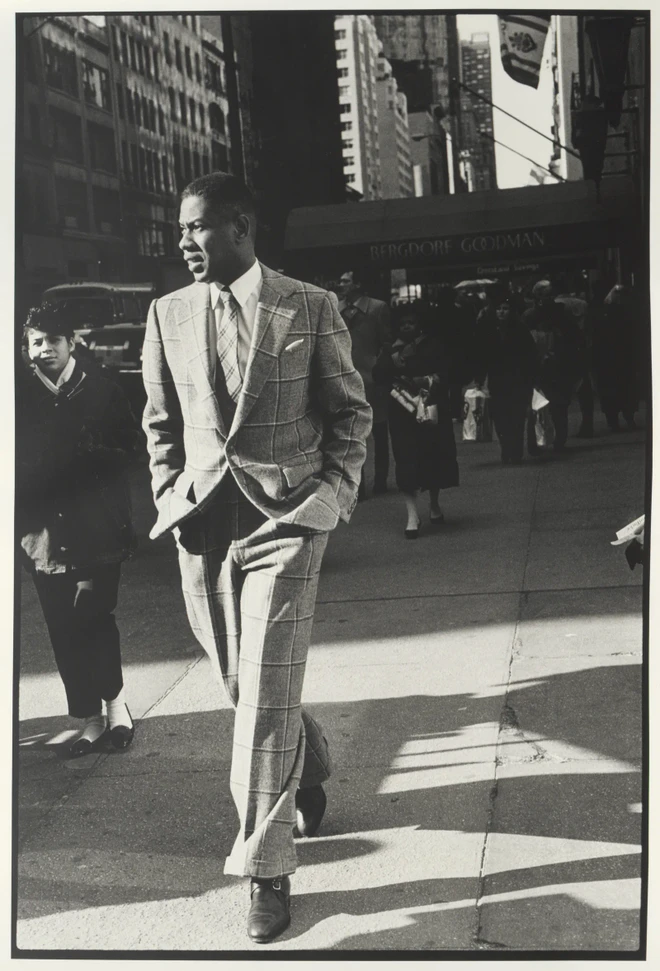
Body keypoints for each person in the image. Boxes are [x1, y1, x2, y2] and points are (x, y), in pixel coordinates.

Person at [142, 173, 371, 944]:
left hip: (287, 518)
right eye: (180, 229)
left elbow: (350, 412)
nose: (184, 242)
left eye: (198, 226)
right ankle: (309, 761)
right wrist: (168, 491)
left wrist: (331, 498)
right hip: (203, 526)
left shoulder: (307, 305)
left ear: (240, 226)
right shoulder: (167, 312)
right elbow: (159, 421)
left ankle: (265, 869)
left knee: (267, 687)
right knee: (245, 684)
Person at [17, 303, 139, 757]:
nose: (45, 349)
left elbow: (132, 448)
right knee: (62, 626)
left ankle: (116, 708)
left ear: (71, 343)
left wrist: (95, 452)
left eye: (53, 340)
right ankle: (86, 718)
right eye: (36, 342)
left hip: (97, 529)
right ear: (25, 348)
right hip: (42, 536)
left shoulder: (103, 391)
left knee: (94, 615)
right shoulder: (18, 398)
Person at [373, 301, 458, 537]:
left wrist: (428, 380)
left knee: (432, 456)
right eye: (402, 324)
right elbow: (378, 375)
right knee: (406, 459)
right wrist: (393, 355)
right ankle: (412, 514)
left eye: (412, 323)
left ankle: (433, 503)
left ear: (420, 324)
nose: (407, 327)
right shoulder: (390, 349)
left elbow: (448, 372)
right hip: (401, 411)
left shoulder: (433, 345)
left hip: (429, 406)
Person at [336, 269, 391, 497]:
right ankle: (358, 486)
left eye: (345, 281)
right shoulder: (337, 309)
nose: (341, 285)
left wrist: (379, 368)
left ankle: (381, 481)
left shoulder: (377, 308)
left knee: (379, 432)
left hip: (372, 379)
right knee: (353, 437)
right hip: (346, 379)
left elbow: (386, 342)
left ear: (358, 284)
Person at [474, 289, 537, 464]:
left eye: (505, 308)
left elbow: (530, 355)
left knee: (516, 419)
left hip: (518, 381)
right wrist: (479, 378)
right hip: (498, 381)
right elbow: (482, 357)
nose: (501, 312)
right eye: (499, 308)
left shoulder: (520, 330)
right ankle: (506, 448)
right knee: (500, 419)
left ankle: (514, 451)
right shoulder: (489, 330)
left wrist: (532, 379)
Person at [522, 280, 583, 452]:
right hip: (547, 366)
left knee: (551, 405)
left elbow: (573, 338)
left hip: (554, 365)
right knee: (547, 405)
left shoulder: (552, 314)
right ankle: (546, 440)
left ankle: (549, 440)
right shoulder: (551, 314)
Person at [592, 284, 640, 430]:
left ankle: (615, 421)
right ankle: (626, 418)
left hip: (608, 359)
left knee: (611, 391)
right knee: (624, 389)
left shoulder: (602, 314)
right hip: (621, 358)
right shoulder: (628, 313)